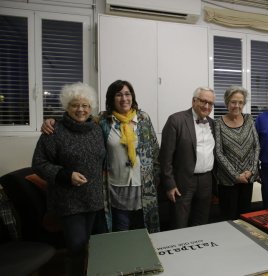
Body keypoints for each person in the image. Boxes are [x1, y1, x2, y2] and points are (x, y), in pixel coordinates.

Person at [40, 80, 160, 233]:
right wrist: (51, 122)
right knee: (121, 233)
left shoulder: (144, 118)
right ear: (111, 99)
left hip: (144, 187)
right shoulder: (102, 120)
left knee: (145, 231)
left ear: (132, 96)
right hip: (116, 187)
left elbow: (155, 150)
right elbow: (78, 119)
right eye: (118, 95)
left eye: (127, 94)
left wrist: (156, 177)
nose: (124, 99)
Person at [32, 82, 106, 276]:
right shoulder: (54, 131)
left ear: (91, 108)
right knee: (76, 248)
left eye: (85, 105)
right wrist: (66, 175)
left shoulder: (97, 129)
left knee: (95, 247)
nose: (80, 109)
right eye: (75, 105)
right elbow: (39, 163)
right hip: (68, 201)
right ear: (67, 106)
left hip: (94, 199)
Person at [159, 87, 215, 229]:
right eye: (203, 101)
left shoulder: (212, 123)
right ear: (194, 101)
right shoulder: (176, 120)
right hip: (183, 182)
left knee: (201, 224)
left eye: (210, 103)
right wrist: (170, 184)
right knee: (179, 224)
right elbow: (165, 157)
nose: (207, 106)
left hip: (206, 181)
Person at [214, 86, 260, 220]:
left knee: (245, 217)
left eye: (240, 102)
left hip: (247, 178)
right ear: (227, 103)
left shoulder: (249, 119)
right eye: (233, 102)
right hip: (227, 181)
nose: (237, 105)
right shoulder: (218, 123)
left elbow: (256, 147)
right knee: (228, 218)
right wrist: (235, 175)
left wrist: (251, 171)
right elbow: (218, 152)